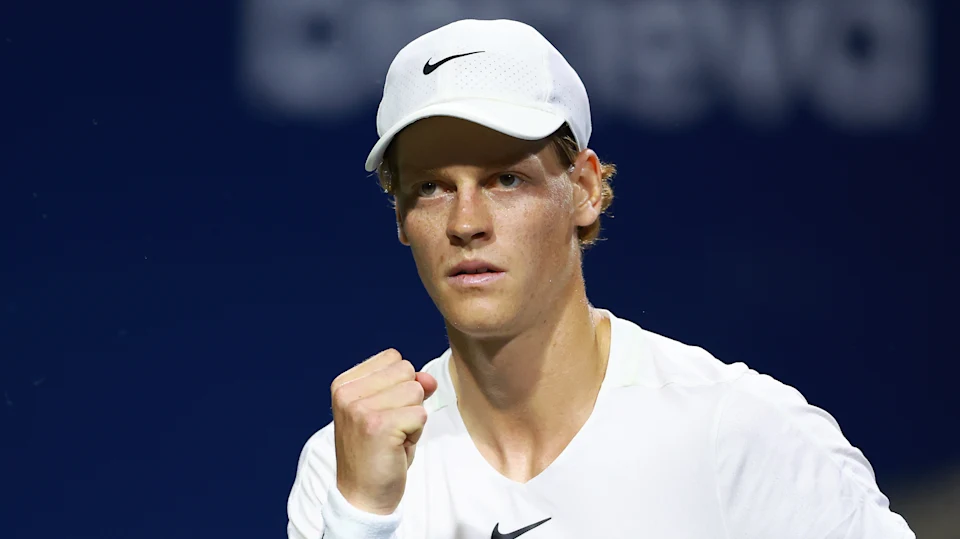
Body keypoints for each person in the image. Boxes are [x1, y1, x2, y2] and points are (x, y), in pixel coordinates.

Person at [286, 18, 915, 539]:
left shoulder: (740, 433)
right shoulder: (346, 469)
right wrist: (362, 518)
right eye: (431, 187)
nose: (466, 222)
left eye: (507, 179)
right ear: (401, 216)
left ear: (585, 189)